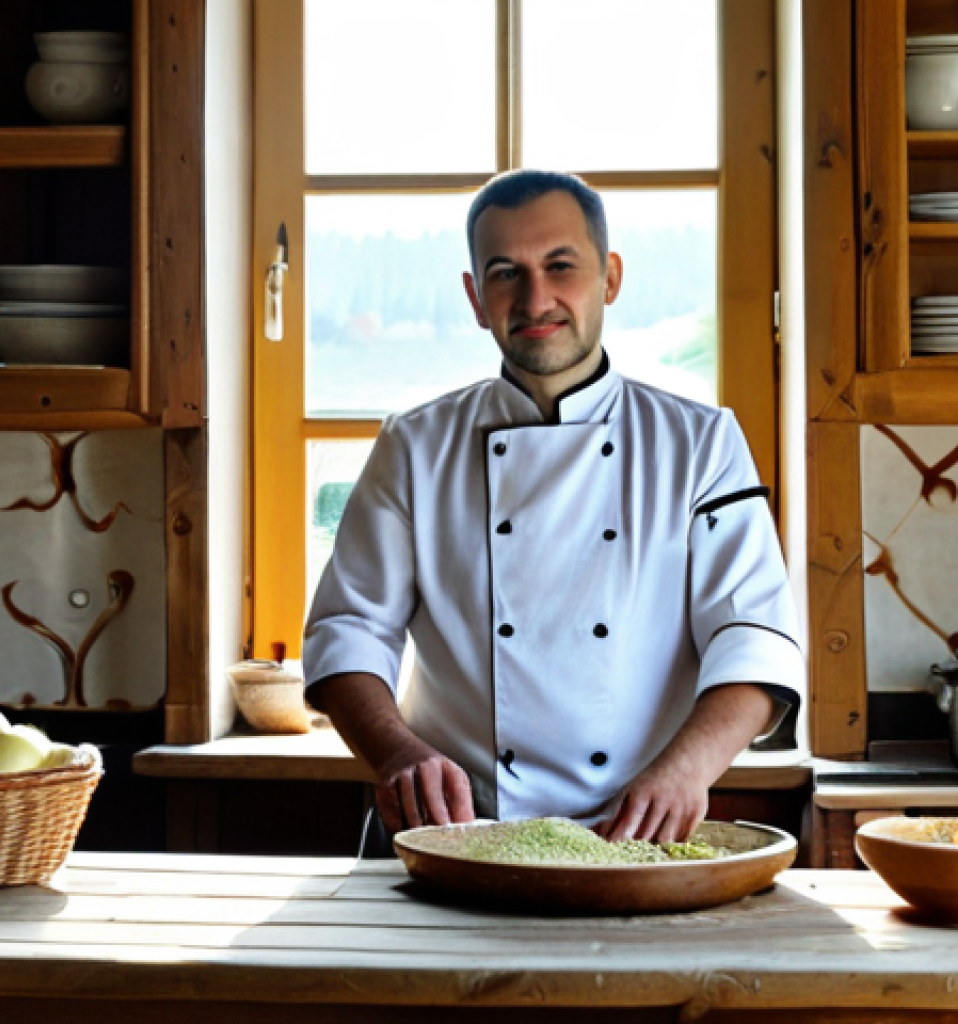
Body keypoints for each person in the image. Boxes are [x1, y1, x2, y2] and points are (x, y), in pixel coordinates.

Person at [303, 169, 804, 853]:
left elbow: (753, 637)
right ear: (476, 297)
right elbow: (350, 629)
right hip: (453, 833)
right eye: (506, 272)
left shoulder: (699, 441)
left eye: (560, 265)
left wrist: (687, 771)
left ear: (611, 277)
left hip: (633, 834)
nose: (536, 298)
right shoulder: (414, 444)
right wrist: (397, 754)